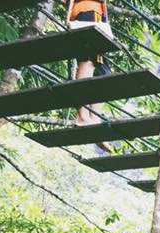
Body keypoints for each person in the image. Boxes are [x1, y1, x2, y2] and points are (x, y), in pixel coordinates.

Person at [65, 0, 112, 152]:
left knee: (104, 73)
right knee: (88, 61)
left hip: (94, 13)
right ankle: (83, 116)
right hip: (87, 11)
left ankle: (94, 121)